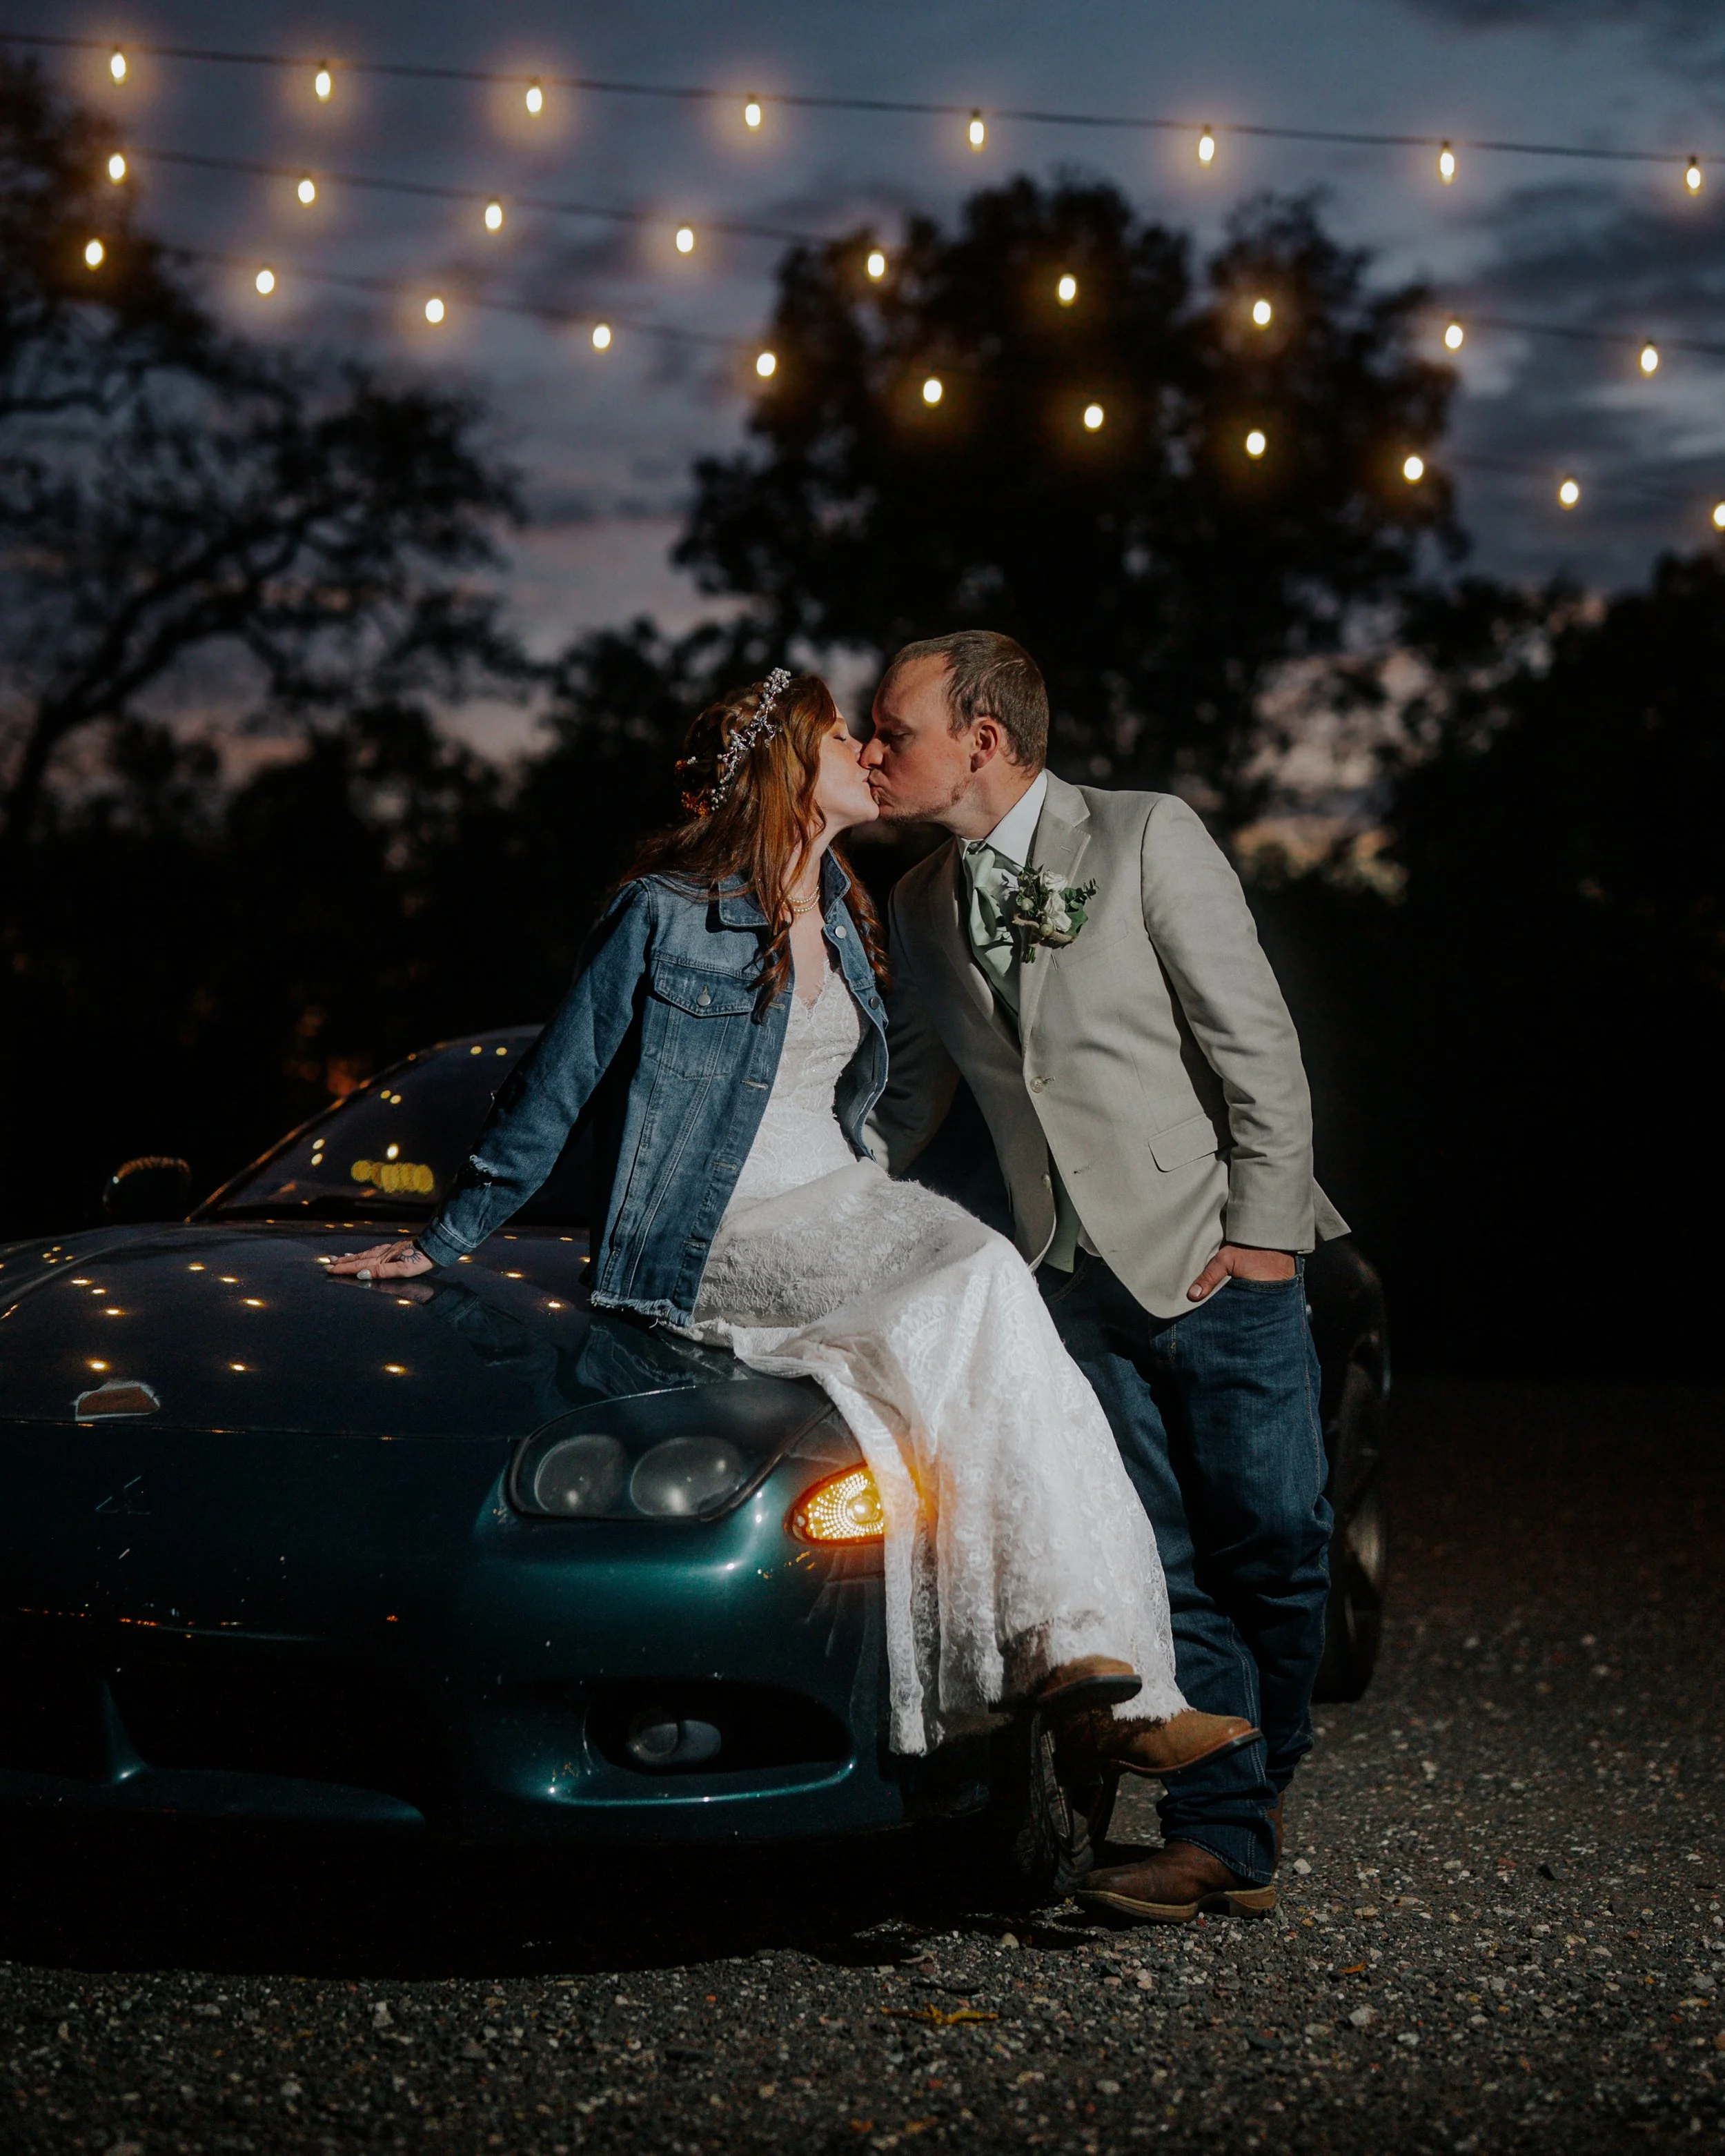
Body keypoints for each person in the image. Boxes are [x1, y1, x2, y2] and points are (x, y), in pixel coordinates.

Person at [330, 669, 1252, 1785]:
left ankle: (1095, 1672)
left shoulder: (852, 913)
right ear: (789, 771)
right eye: (842, 737)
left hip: (842, 1200)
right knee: (969, 1291)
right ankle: (1049, 1661)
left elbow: (872, 1101)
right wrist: (445, 1235)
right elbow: (556, 1082)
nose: (870, 749)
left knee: (995, 1284)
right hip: (721, 1230)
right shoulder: (662, 910)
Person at [863, 631, 1346, 1924]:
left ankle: (1262, 1768)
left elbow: (1259, 1049)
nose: (868, 750)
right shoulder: (917, 903)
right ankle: (1221, 1831)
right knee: (1162, 1555)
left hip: (1217, 1254)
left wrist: (1263, 1237)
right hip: (1065, 1279)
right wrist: (820, 1185)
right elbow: (915, 1093)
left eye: (889, 727)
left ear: (983, 736)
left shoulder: (1143, 838)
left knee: (1281, 1542)